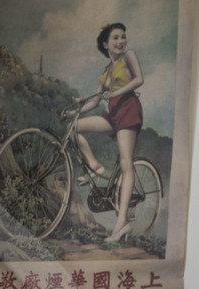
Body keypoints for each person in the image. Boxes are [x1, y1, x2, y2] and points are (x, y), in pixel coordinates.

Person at [68, 22, 144, 243]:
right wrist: (75, 111)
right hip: (113, 114)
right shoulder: (107, 71)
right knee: (74, 128)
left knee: (125, 164)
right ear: (105, 44)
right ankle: (94, 165)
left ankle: (121, 223)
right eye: (115, 38)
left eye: (123, 37)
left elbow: (139, 79)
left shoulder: (129, 55)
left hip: (128, 110)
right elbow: (93, 102)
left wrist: (116, 92)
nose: (121, 41)